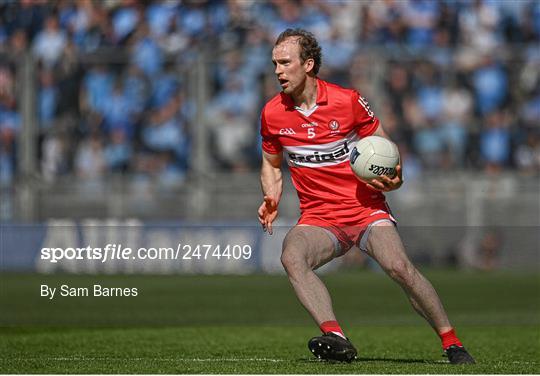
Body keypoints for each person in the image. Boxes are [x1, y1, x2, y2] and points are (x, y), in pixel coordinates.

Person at [257, 28, 475, 365]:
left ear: (309, 64)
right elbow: (271, 165)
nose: (277, 71)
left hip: (365, 210)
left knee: (400, 268)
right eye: (275, 64)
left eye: (285, 63)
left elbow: (384, 147)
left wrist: (394, 174)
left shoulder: (347, 101)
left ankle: (452, 342)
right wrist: (270, 196)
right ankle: (336, 337)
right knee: (291, 256)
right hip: (319, 218)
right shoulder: (273, 113)